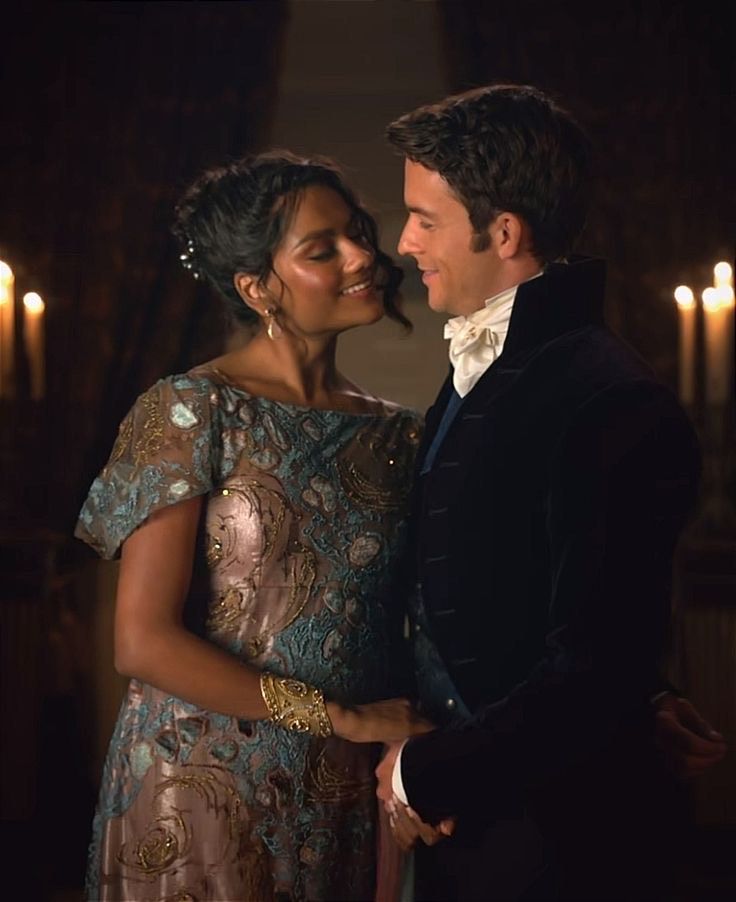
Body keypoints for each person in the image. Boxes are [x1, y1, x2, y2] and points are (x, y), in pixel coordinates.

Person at [374, 84, 728, 901]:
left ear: (503, 232)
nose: (404, 241)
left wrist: (423, 774)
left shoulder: (611, 398)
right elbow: (520, 591)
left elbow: (593, 665)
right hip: (479, 826)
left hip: (560, 840)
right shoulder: (497, 358)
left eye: (425, 219)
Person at [74, 150, 436, 902]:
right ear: (257, 287)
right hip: (200, 788)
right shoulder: (191, 409)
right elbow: (142, 640)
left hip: (347, 788)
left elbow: (407, 623)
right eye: (322, 249)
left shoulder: (401, 435)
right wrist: (336, 716)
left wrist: (403, 755)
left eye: (357, 233)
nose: (363, 256)